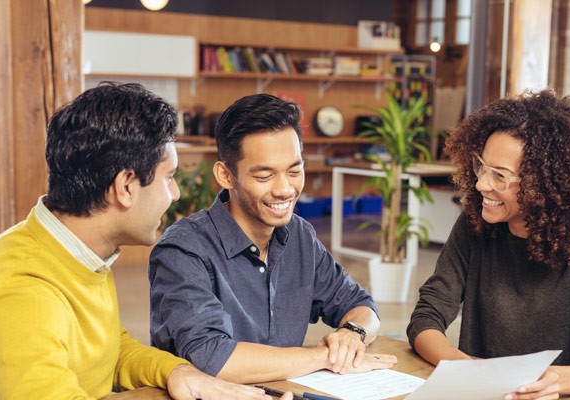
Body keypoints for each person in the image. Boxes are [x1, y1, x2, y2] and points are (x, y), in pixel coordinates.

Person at [0, 83, 289, 400]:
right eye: (168, 178)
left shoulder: (75, 251)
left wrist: (179, 372)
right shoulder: (21, 292)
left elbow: (109, 349)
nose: (176, 193)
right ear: (126, 186)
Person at [407, 90, 570, 398]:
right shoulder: (475, 223)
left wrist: (555, 381)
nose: (482, 183)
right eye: (481, 166)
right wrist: (469, 370)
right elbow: (427, 317)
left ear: (546, 186)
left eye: (500, 176)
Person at [148, 93, 397, 384]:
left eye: (295, 171)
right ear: (226, 175)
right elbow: (212, 357)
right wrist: (325, 356)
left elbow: (362, 305)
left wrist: (351, 334)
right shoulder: (184, 250)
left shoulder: (300, 235)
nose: (285, 189)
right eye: (265, 176)